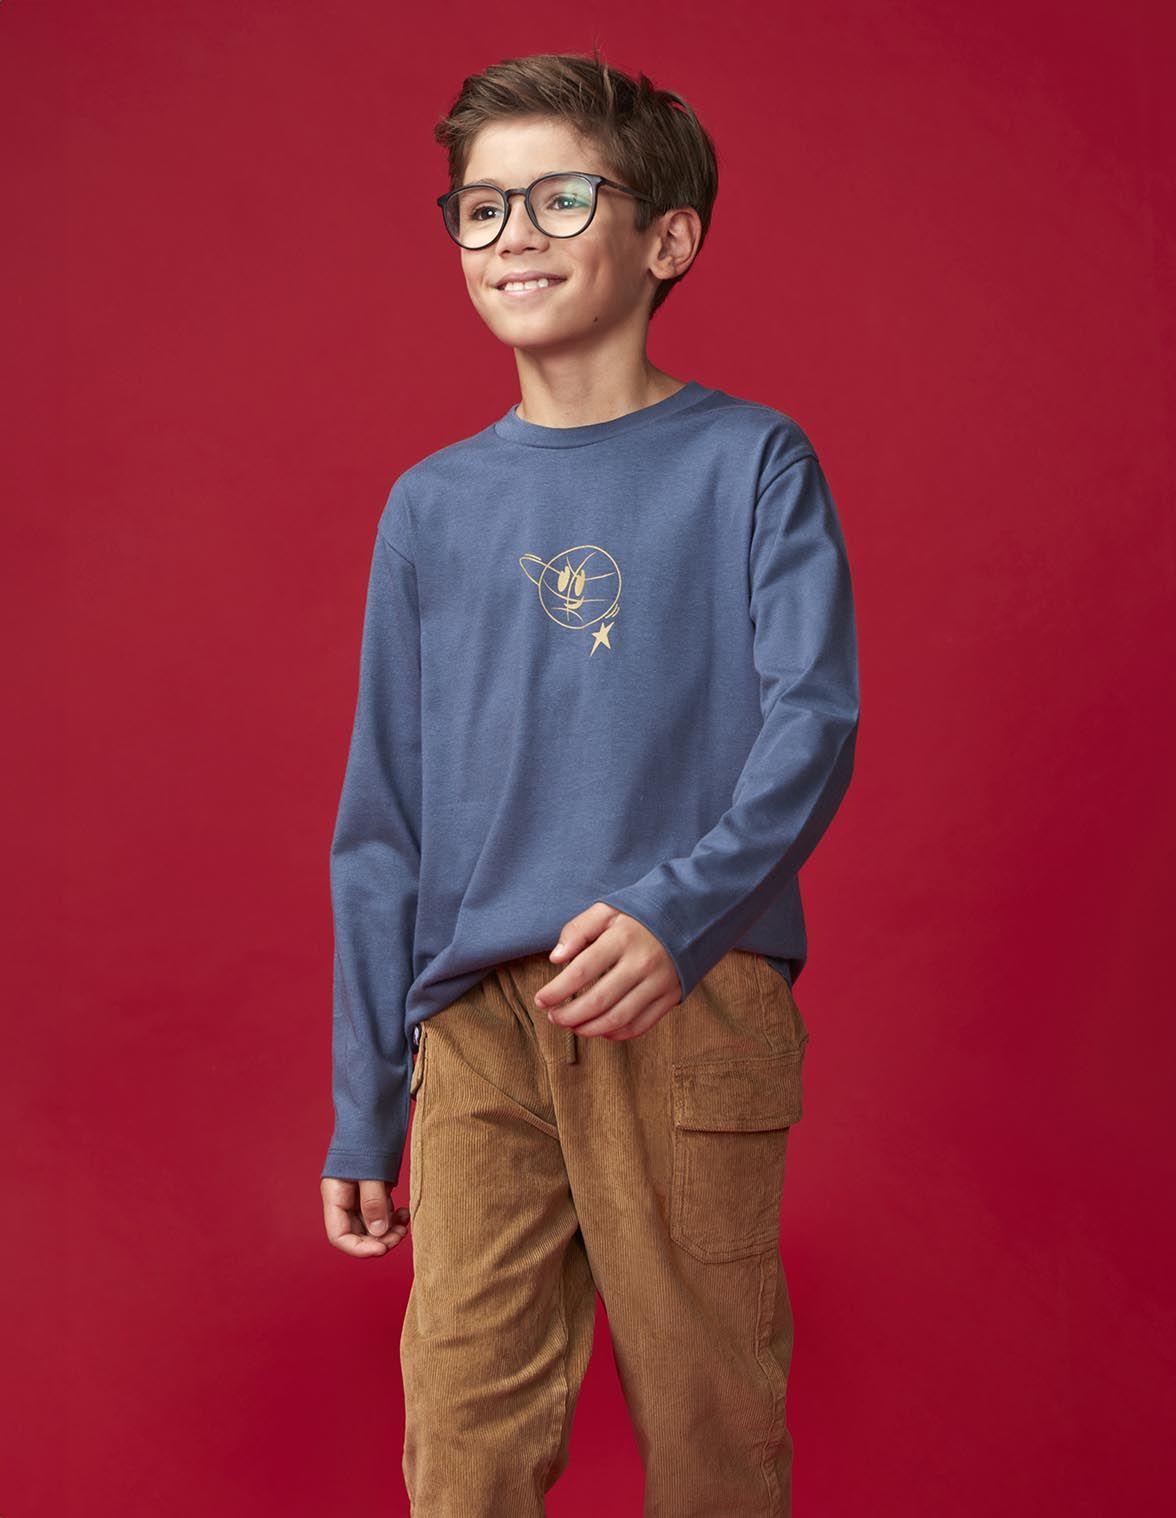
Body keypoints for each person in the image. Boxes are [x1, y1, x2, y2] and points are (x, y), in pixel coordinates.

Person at [319, 48, 860, 1516]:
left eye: (561, 198)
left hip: (683, 992)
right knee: (463, 1446)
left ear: (666, 237)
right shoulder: (431, 506)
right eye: (481, 207)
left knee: (710, 1431)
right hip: (476, 1026)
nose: (515, 235)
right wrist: (365, 1097)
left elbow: (812, 724)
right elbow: (384, 819)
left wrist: (680, 915)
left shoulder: (750, 462)